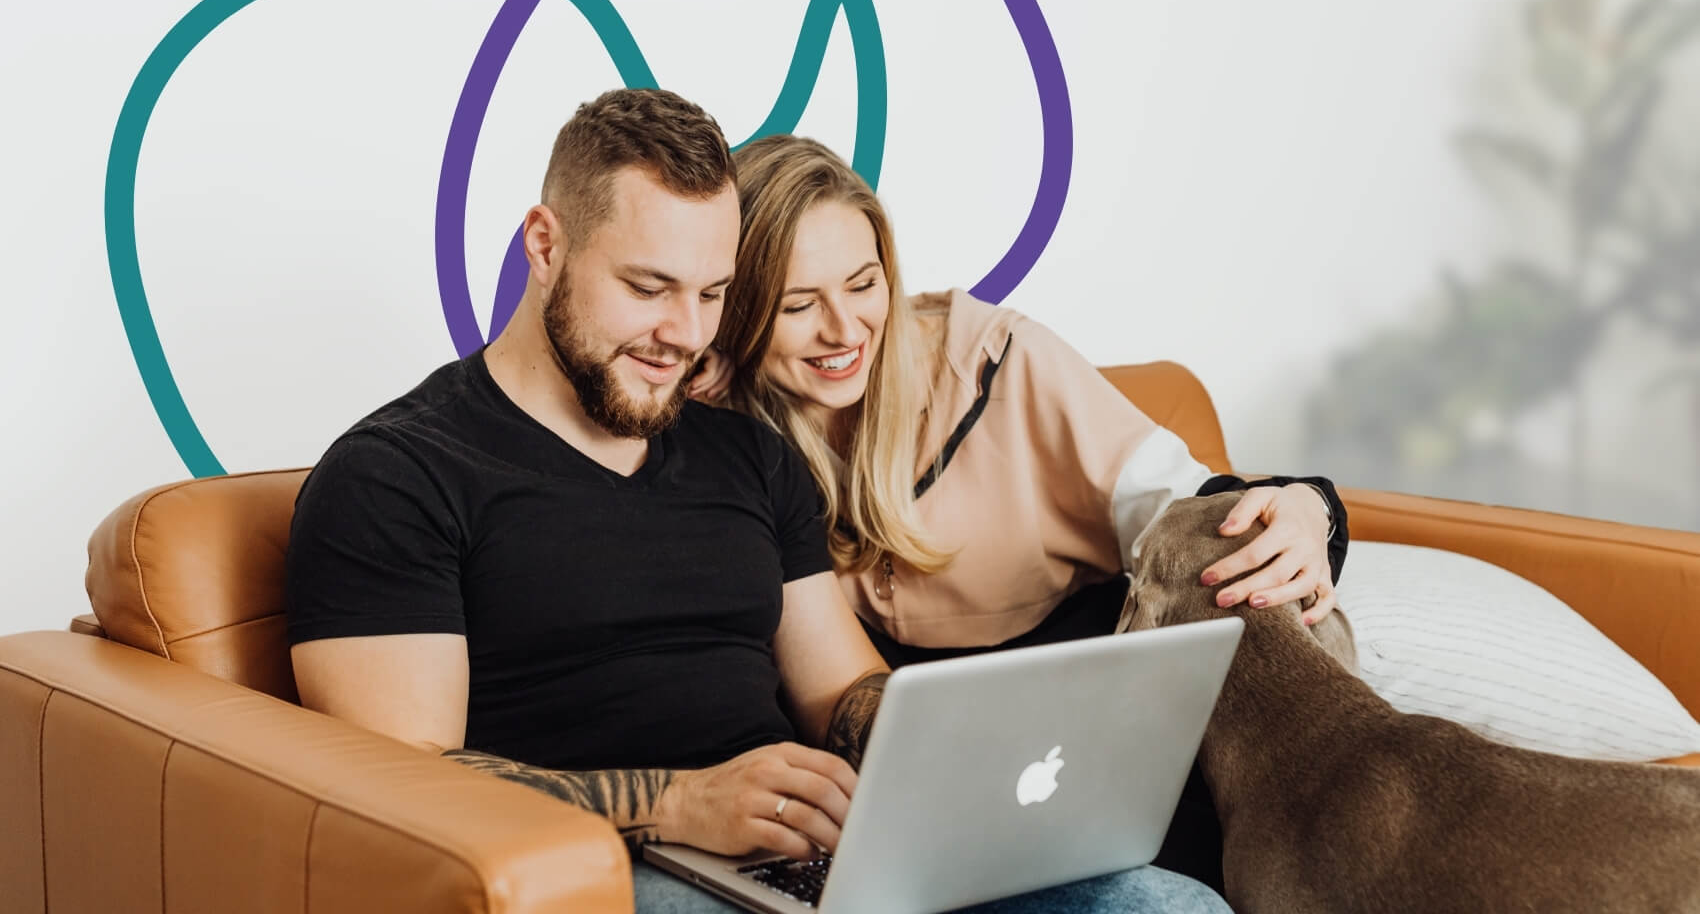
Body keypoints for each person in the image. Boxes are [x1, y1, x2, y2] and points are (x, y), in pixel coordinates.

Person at [284, 90, 1230, 913]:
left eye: (712, 295)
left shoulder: (749, 456)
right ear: (545, 245)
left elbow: (837, 690)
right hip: (609, 871)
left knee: (1168, 905)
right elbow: (399, 785)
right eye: (647, 287)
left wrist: (969, 749)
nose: (682, 334)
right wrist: (678, 802)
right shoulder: (398, 477)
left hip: (807, 858)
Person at [694, 134, 1351, 893]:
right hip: (932, 806)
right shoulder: (726, 436)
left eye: (864, 283)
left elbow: (1187, 511)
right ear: (734, 311)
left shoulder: (999, 364)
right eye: (797, 305)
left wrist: (1310, 507)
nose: (844, 330)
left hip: (1112, 756)